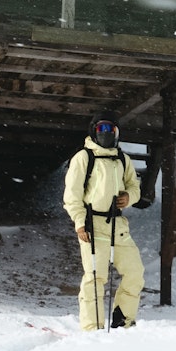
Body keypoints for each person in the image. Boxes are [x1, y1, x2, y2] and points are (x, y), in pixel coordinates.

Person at [63, 112, 145, 331]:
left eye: (111, 130)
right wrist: (80, 222)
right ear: (94, 131)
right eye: (102, 130)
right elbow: (72, 196)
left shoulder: (122, 158)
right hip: (92, 224)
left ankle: (123, 321)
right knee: (95, 278)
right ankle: (92, 328)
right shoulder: (84, 157)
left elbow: (134, 186)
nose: (107, 134)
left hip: (118, 227)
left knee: (135, 273)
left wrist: (130, 197)